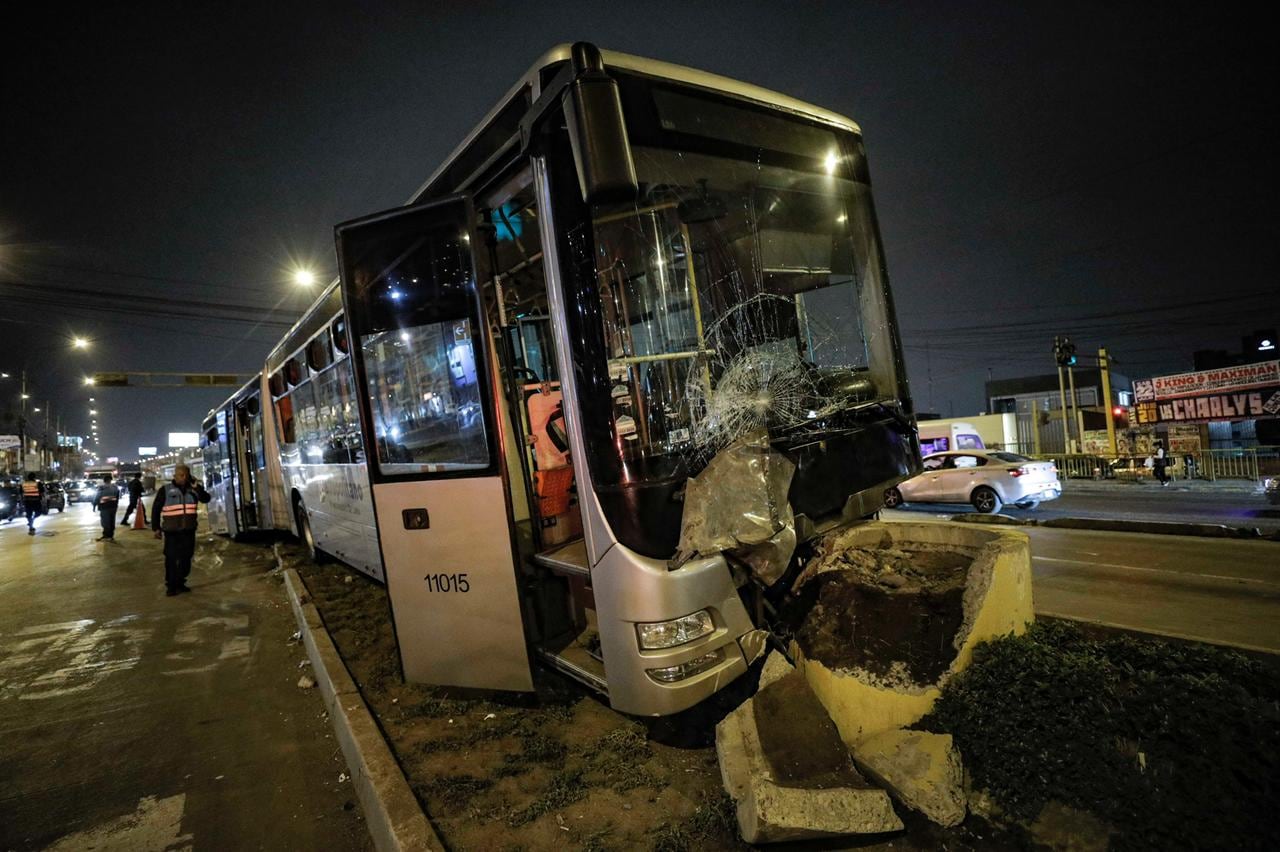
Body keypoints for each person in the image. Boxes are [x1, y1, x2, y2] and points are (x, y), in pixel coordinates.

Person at [151, 464, 211, 596]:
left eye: (186, 475)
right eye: (181, 475)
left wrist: (198, 487)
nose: (183, 478)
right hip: (171, 531)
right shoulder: (165, 490)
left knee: (186, 558)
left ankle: (181, 582)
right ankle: (171, 586)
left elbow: (206, 499)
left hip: (188, 530)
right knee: (171, 559)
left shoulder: (194, 490)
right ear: (175, 476)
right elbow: (156, 509)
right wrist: (156, 528)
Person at [92, 475, 121, 540]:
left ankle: (106, 535)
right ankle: (111, 535)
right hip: (113, 506)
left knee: (105, 521)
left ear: (104, 480)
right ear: (111, 480)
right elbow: (118, 496)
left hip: (104, 506)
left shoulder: (102, 487)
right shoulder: (115, 487)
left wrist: (94, 505)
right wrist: (116, 504)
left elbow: (97, 496)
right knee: (112, 520)